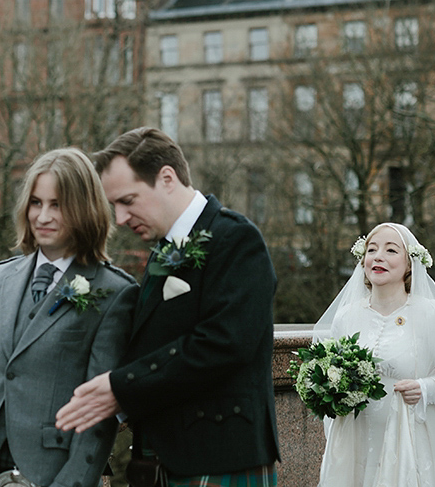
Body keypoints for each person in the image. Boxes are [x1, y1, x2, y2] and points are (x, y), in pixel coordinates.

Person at [55, 127, 280, 486]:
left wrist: (121, 387)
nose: (121, 219)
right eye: (115, 206)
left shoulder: (236, 239)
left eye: (128, 200)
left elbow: (224, 343)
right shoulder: (164, 249)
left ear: (167, 178)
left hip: (219, 457)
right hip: (162, 459)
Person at [0, 148, 138, 487]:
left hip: (50, 472)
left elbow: (99, 415)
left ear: (84, 209)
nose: (43, 216)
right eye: (36, 203)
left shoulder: (114, 292)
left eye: (57, 205)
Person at [315, 222, 435, 487]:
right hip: (357, 441)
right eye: (372, 250)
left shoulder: (430, 314)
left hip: (410, 441)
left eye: (391, 250)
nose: (378, 256)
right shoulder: (347, 316)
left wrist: (425, 388)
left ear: (410, 264)